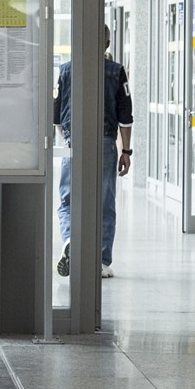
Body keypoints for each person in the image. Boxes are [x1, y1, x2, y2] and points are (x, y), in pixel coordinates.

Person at [55, 25, 133, 279]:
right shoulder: (116, 71)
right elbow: (125, 116)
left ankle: (70, 241)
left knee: (68, 200)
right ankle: (100, 260)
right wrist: (126, 151)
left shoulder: (66, 70)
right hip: (104, 142)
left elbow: (56, 114)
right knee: (104, 202)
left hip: (72, 142)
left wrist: (67, 141)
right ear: (107, 44)